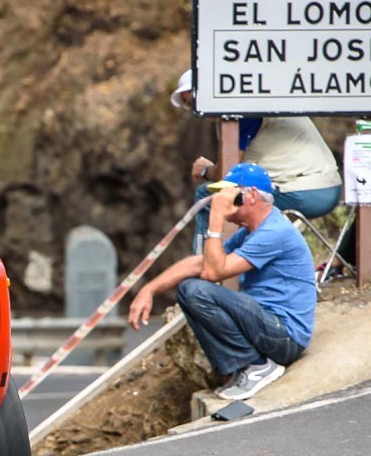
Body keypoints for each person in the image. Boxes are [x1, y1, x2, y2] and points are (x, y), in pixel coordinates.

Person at [128, 163, 316, 401]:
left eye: (230, 193)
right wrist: (149, 289)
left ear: (250, 196)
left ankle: (256, 366)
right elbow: (199, 263)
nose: (222, 200)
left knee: (197, 291)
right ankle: (246, 366)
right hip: (268, 326)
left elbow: (213, 273)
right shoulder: (250, 232)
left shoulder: (274, 232)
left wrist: (216, 219)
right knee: (188, 289)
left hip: (285, 337)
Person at [171, 69, 342, 250]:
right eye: (189, 106)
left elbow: (227, 174)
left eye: (194, 102)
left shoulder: (242, 110)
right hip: (323, 184)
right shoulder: (254, 98)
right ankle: (237, 258)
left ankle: (205, 261)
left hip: (303, 191)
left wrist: (206, 171)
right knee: (242, 198)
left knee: (210, 196)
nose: (195, 110)